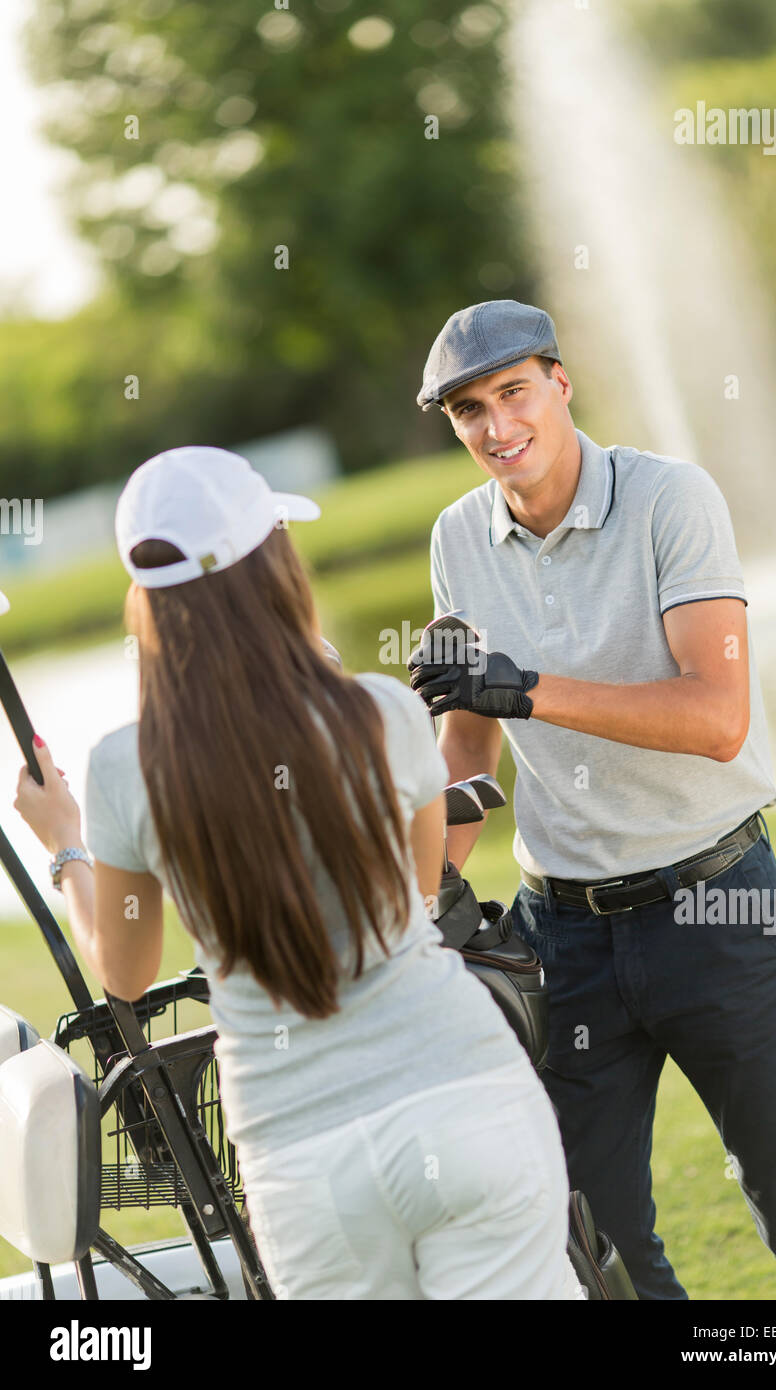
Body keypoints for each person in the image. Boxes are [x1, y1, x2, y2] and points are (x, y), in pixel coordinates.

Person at [14, 444, 584, 1302]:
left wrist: (65, 845)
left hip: (305, 1161)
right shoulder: (384, 714)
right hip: (465, 1100)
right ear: (273, 567)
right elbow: (419, 894)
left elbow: (123, 974)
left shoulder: (125, 768)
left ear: (148, 600)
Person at [408, 298, 776, 1301]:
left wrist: (523, 683)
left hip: (712, 908)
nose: (496, 427)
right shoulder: (457, 538)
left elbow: (715, 715)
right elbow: (469, 755)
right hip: (561, 936)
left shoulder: (670, 498)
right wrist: (415, 892)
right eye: (467, 410)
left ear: (558, 382)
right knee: (590, 1243)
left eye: (512, 392)